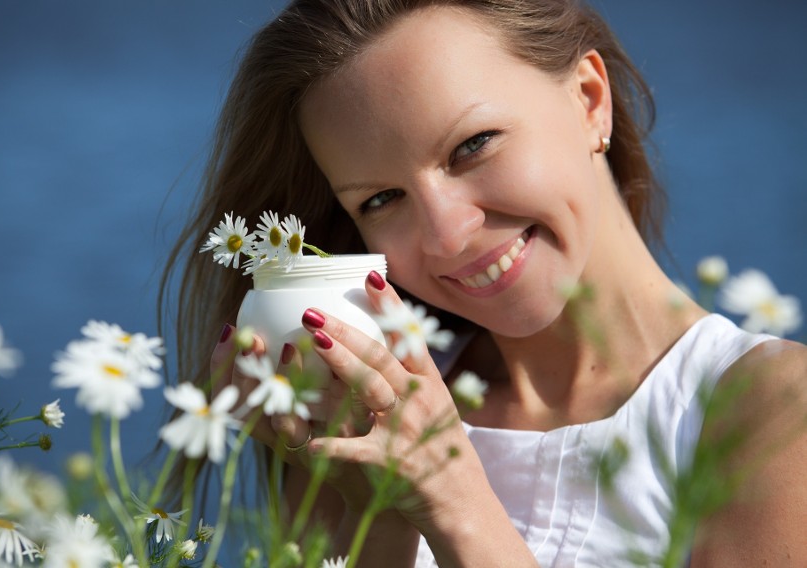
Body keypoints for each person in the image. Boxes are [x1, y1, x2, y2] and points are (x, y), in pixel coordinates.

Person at [161, 0, 807, 565]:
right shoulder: (367, 417)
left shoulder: (772, 411)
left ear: (589, 100)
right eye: (382, 199)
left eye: (473, 146)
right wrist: (377, 514)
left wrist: (453, 500)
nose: (445, 235)